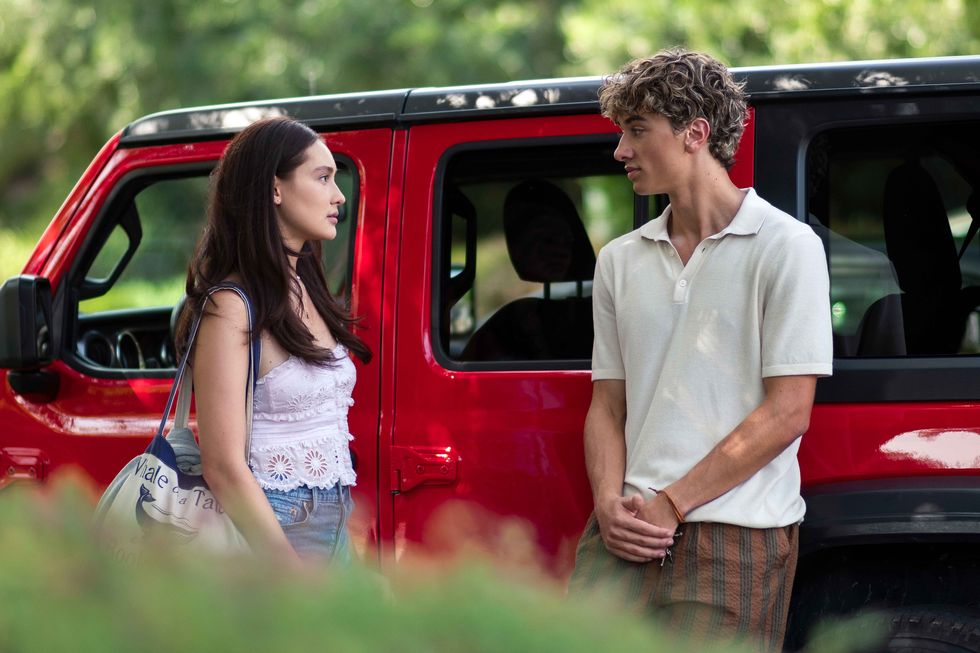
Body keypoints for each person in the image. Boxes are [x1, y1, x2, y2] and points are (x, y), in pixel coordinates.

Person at [567, 49, 832, 651]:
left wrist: (673, 503)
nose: (620, 151)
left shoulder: (786, 247)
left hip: (735, 536)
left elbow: (790, 410)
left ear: (695, 133)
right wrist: (609, 503)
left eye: (637, 131)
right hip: (624, 530)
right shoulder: (618, 260)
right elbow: (608, 406)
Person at [175, 116, 371, 569]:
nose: (338, 195)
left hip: (333, 517)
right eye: (322, 178)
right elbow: (222, 465)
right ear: (274, 189)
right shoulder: (231, 305)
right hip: (277, 526)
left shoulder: (304, 285)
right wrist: (286, 568)